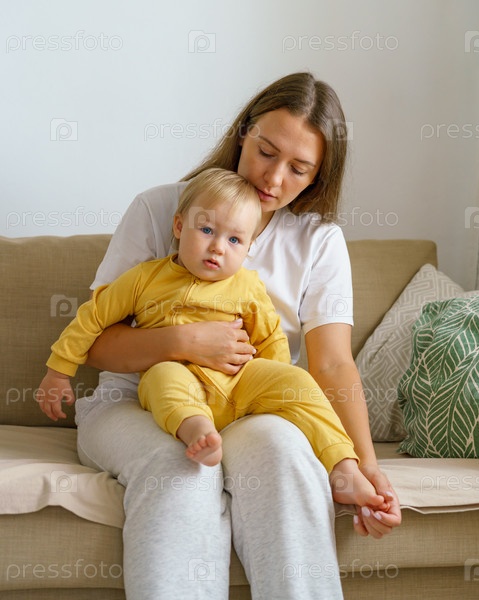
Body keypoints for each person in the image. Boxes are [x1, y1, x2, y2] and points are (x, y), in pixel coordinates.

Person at [38, 72, 401, 599]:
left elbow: (330, 365)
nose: (273, 177)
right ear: (243, 133)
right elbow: (94, 339)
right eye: (266, 152)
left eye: (298, 169)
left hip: (246, 404)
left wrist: (364, 466)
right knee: (180, 466)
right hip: (136, 401)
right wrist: (183, 343)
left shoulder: (319, 241)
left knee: (286, 452)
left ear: (318, 177)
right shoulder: (162, 208)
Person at [38, 167, 388, 511]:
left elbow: (271, 340)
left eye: (234, 240)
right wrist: (58, 371)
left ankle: (343, 465)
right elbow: (93, 317)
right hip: (180, 377)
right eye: (206, 230)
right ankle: (197, 430)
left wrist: (273, 385)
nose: (218, 248)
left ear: (248, 247)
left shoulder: (248, 286)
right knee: (162, 377)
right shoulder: (145, 279)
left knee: (297, 380)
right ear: (179, 226)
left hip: (238, 386)